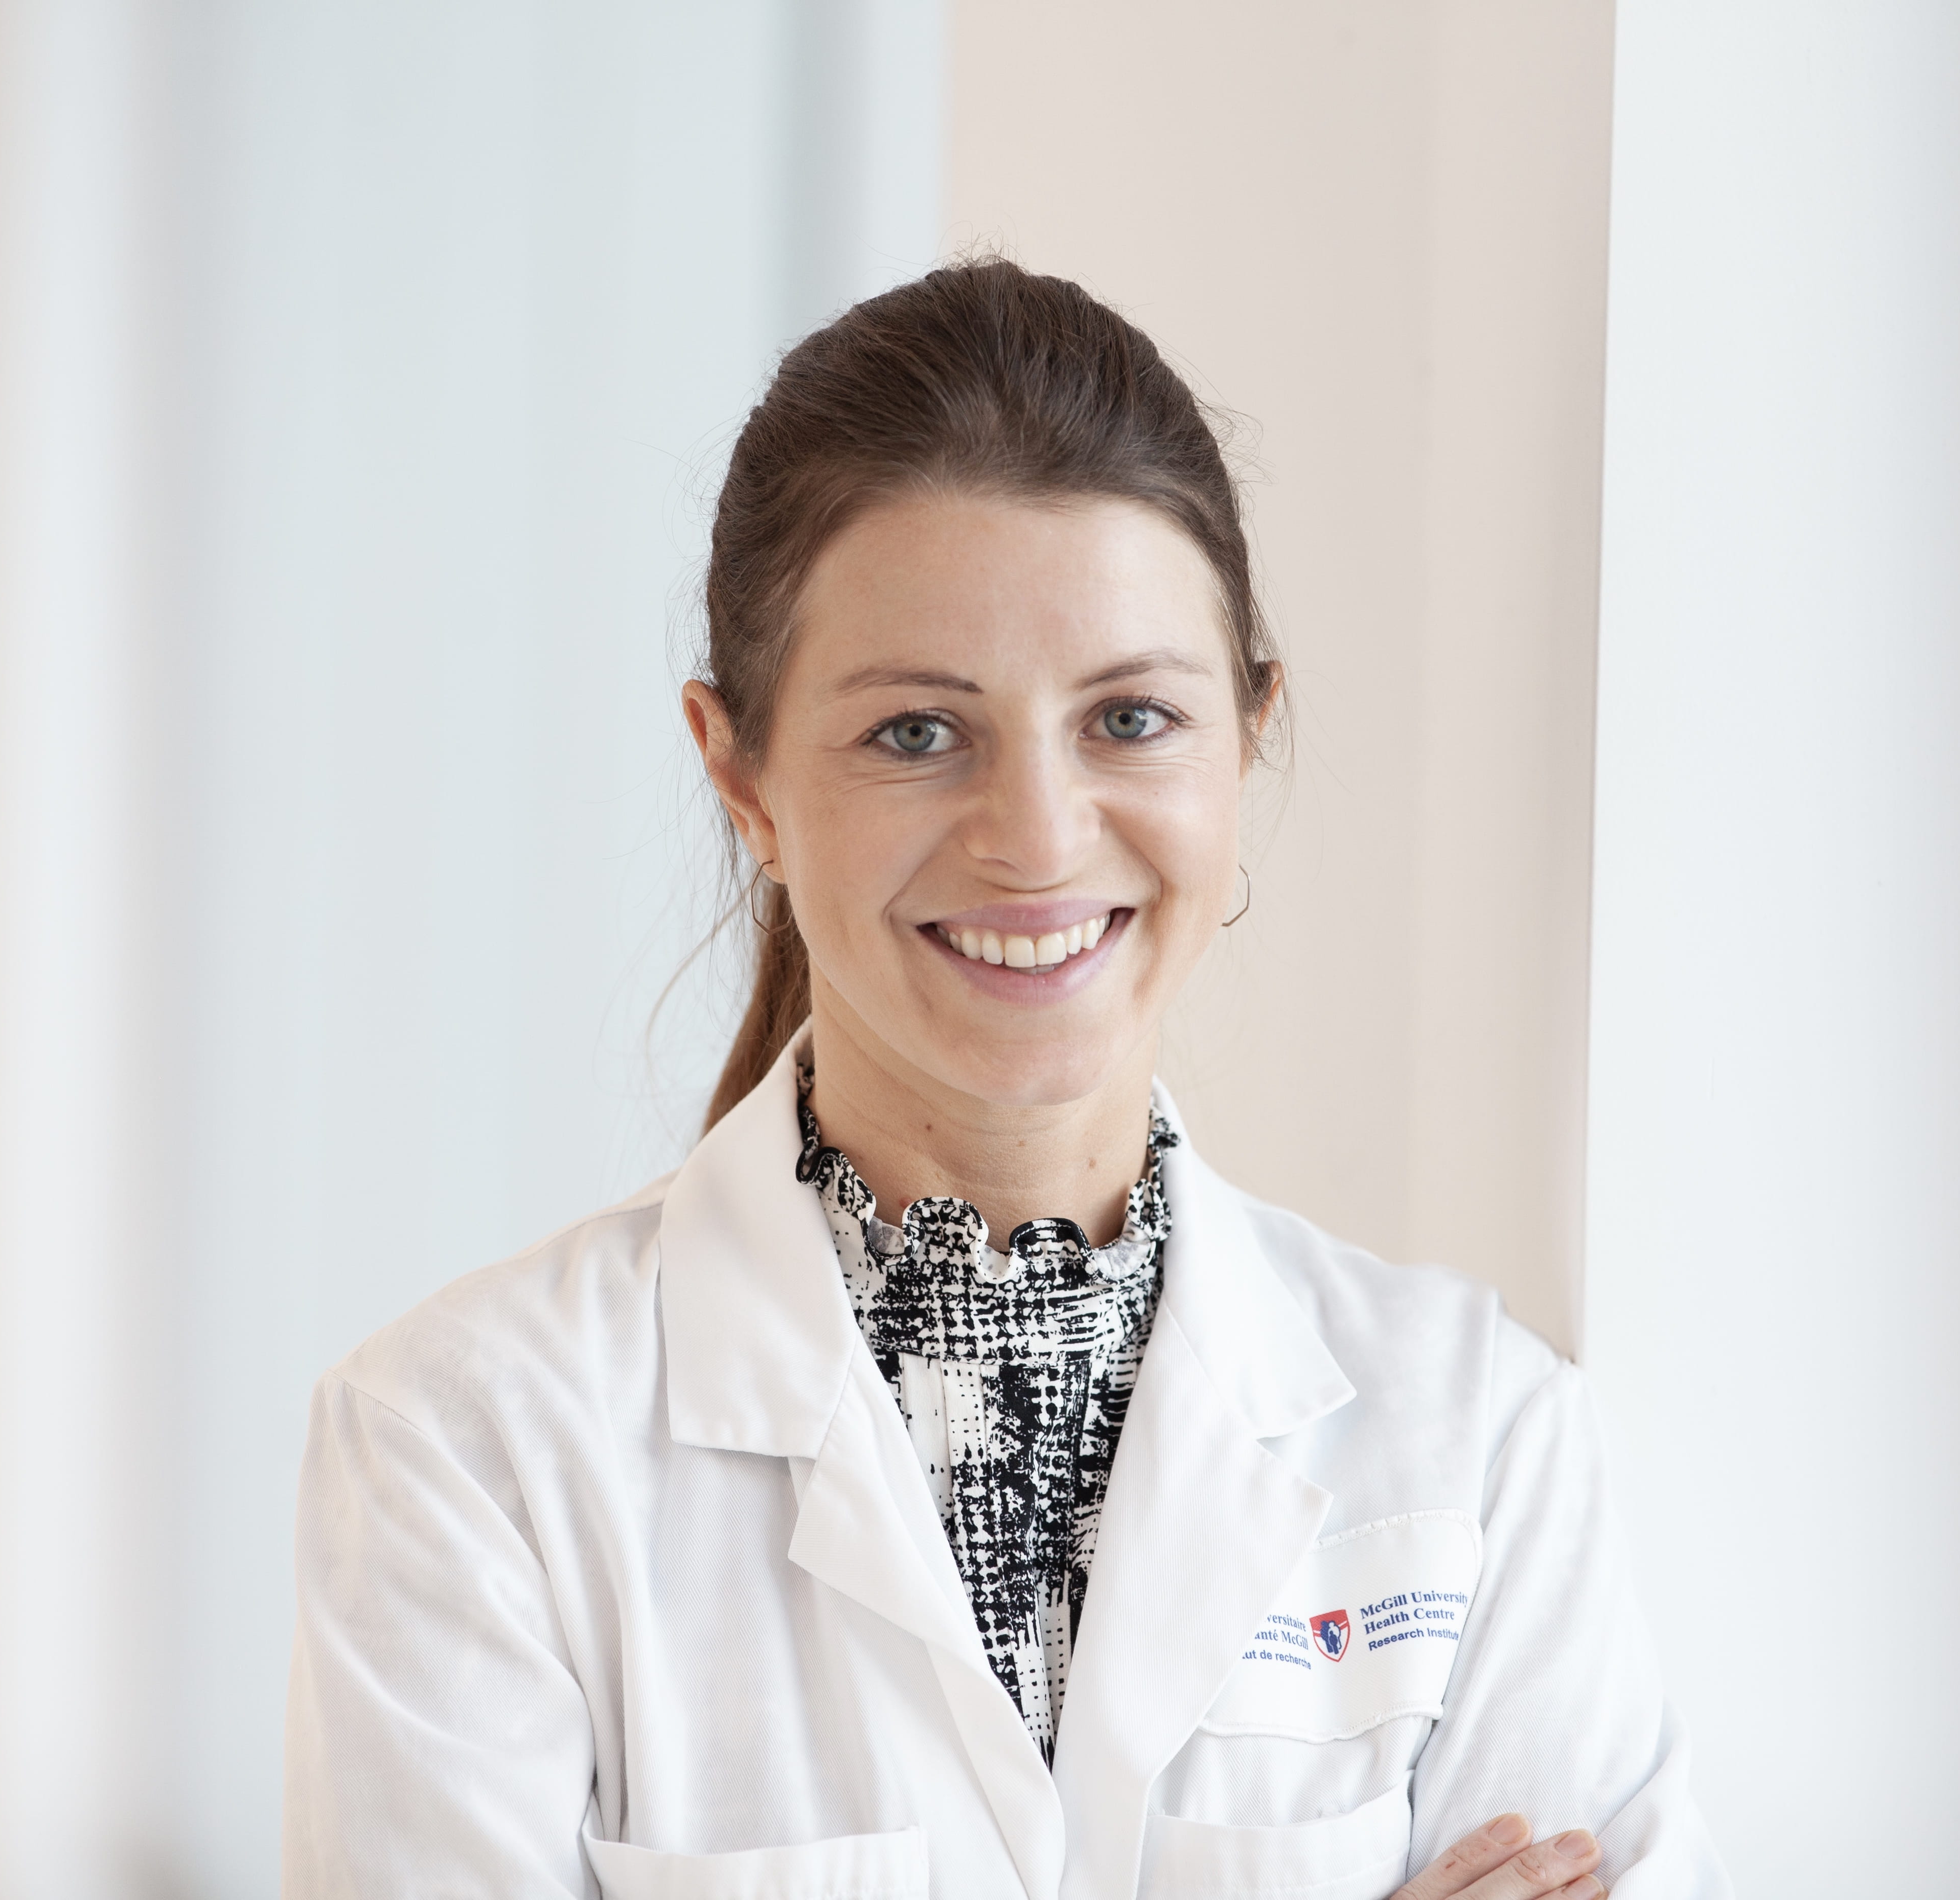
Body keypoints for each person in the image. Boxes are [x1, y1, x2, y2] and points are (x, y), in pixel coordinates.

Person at [283, 260, 1727, 1900]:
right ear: (740, 771)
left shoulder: (1478, 1436)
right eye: (916, 733)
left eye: (1129, 717)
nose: (1037, 839)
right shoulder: (472, 1452)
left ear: (1245, 738)